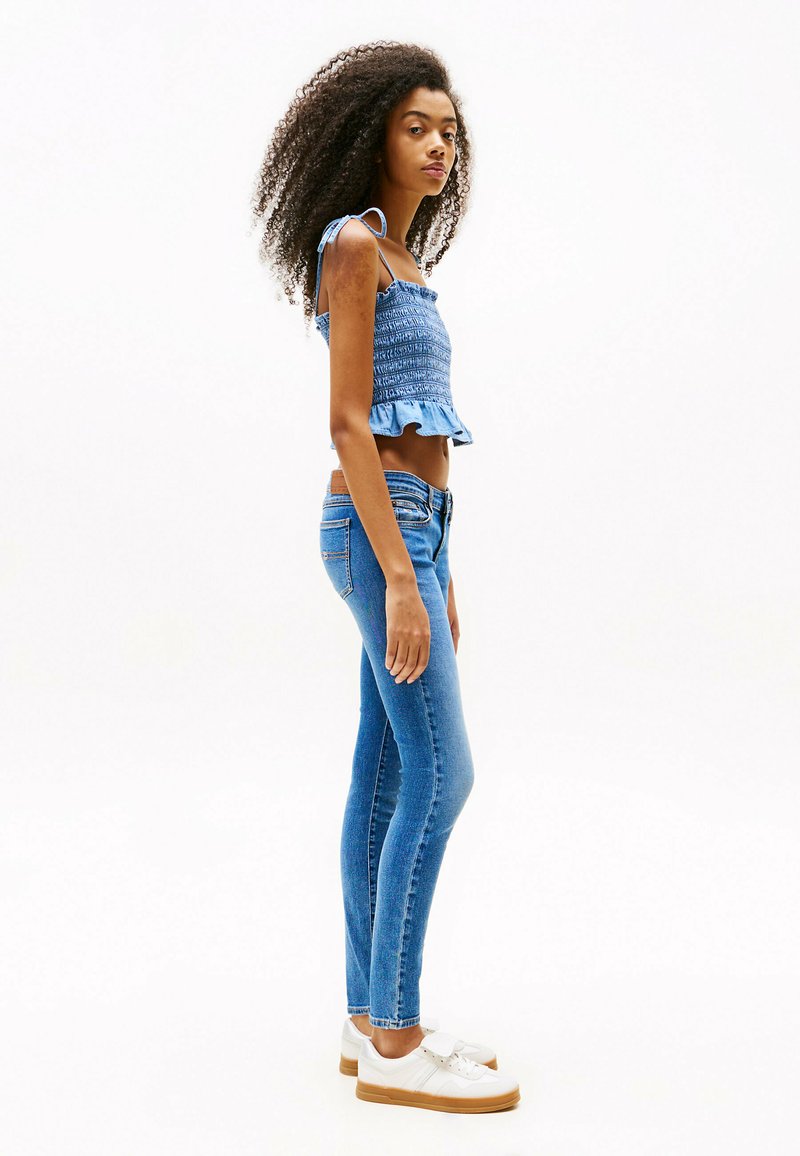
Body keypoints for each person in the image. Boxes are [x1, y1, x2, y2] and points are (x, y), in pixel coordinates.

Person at [251, 41, 520, 1113]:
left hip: (415, 529)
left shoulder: (405, 260)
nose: (439, 144)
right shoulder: (353, 244)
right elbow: (348, 423)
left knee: (385, 777)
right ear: (372, 137)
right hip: (379, 530)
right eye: (417, 127)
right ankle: (400, 1044)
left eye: (449, 130)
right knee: (441, 776)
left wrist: (435, 566)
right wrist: (402, 578)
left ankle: (370, 1018)